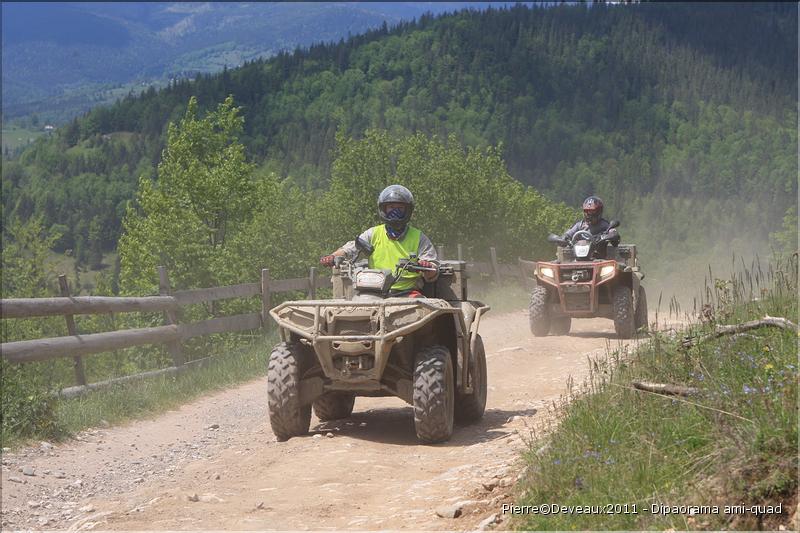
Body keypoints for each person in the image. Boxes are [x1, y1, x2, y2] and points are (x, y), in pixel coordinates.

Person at [320, 185, 439, 297]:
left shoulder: (419, 237)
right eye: (391, 207)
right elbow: (350, 249)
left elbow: (433, 271)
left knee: (420, 311)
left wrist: (426, 266)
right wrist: (332, 257)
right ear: (383, 209)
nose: (395, 212)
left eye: (400, 208)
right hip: (373, 293)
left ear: (407, 210)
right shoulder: (373, 234)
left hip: (407, 293)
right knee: (357, 310)